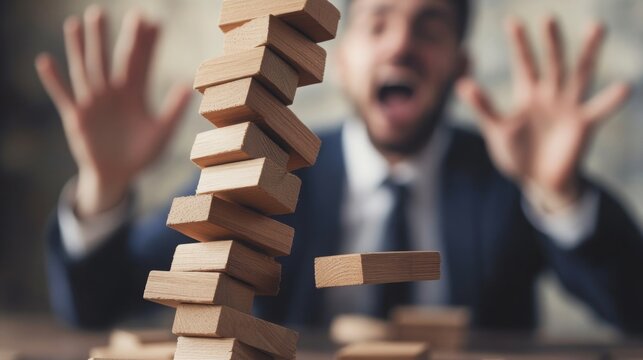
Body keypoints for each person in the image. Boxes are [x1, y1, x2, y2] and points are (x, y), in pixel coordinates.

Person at [37, 0, 643, 332]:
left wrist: (558, 194)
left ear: (459, 66)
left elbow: (633, 310)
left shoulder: (506, 177)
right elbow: (95, 307)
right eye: (378, 22)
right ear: (343, 60)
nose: (401, 44)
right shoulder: (257, 167)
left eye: (429, 25)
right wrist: (105, 186)